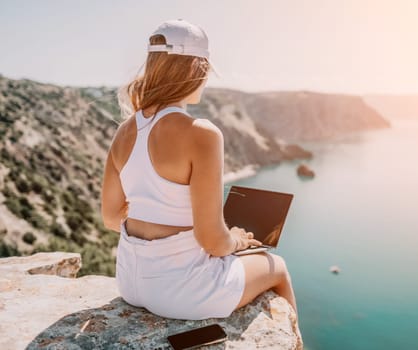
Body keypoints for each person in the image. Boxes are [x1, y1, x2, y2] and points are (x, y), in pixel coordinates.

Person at [101, 19, 298, 321]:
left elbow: (112, 217)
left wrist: (156, 211)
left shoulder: (125, 131)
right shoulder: (201, 133)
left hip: (130, 283)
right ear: (198, 69)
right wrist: (237, 240)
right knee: (277, 267)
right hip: (183, 294)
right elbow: (213, 242)